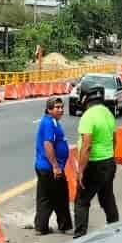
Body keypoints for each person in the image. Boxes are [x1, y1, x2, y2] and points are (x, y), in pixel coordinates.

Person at [72, 86, 120, 239]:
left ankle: (80, 237)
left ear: (85, 99)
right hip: (109, 161)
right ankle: (115, 228)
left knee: (81, 201)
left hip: (94, 164)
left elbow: (86, 146)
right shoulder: (108, 113)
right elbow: (115, 140)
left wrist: (80, 170)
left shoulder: (88, 116)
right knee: (107, 198)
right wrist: (110, 157)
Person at [33, 96, 72, 234]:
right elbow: (48, 145)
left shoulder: (53, 122)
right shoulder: (49, 123)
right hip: (50, 168)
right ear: (49, 109)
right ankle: (64, 225)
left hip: (46, 167)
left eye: (62, 107)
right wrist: (55, 166)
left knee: (46, 197)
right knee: (59, 196)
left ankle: (41, 226)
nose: (61, 110)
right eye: (57, 107)